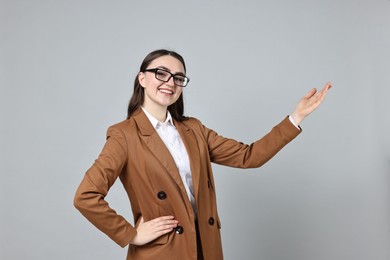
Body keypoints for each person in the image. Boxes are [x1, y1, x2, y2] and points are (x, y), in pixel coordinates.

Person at [74, 49, 331, 260]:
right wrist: (131, 234)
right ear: (142, 78)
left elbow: (249, 156)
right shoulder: (124, 135)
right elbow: (85, 196)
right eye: (160, 73)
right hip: (163, 252)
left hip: (205, 248)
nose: (170, 82)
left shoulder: (193, 129)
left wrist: (296, 117)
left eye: (178, 77)